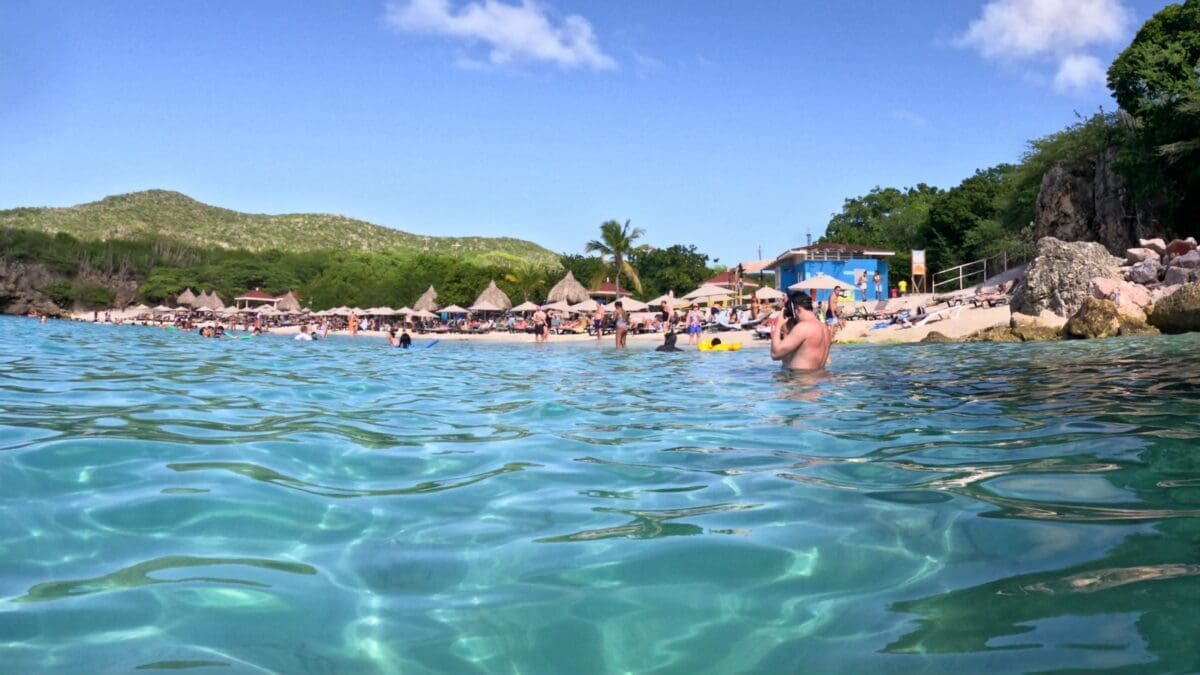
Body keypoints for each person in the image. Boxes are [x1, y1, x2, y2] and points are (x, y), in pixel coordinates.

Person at [770, 291, 832, 371]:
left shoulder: (803, 327)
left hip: (799, 380)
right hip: (816, 380)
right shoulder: (825, 328)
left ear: (797, 310)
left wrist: (778, 325)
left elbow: (775, 354)